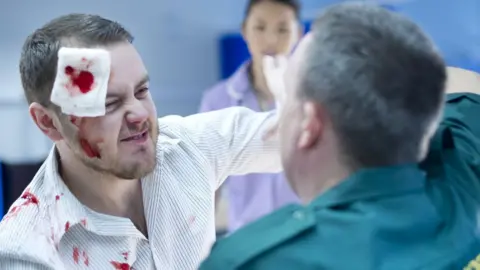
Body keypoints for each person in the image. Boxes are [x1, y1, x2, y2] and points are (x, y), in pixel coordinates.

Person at [200, 3, 480, 269]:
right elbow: (454, 85)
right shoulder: (463, 169)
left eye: (289, 100)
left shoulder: (259, 261)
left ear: (310, 124)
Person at [0, 14, 282, 269]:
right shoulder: (27, 252)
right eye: (109, 103)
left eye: (142, 90)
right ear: (47, 122)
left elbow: (298, 137)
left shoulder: (187, 147)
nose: (138, 113)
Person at [199, 0, 303, 233]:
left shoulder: (314, 97)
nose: (271, 39)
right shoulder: (217, 101)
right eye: (260, 27)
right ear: (245, 30)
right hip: (246, 238)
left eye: (282, 29)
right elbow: (207, 184)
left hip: (304, 237)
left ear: (298, 33)